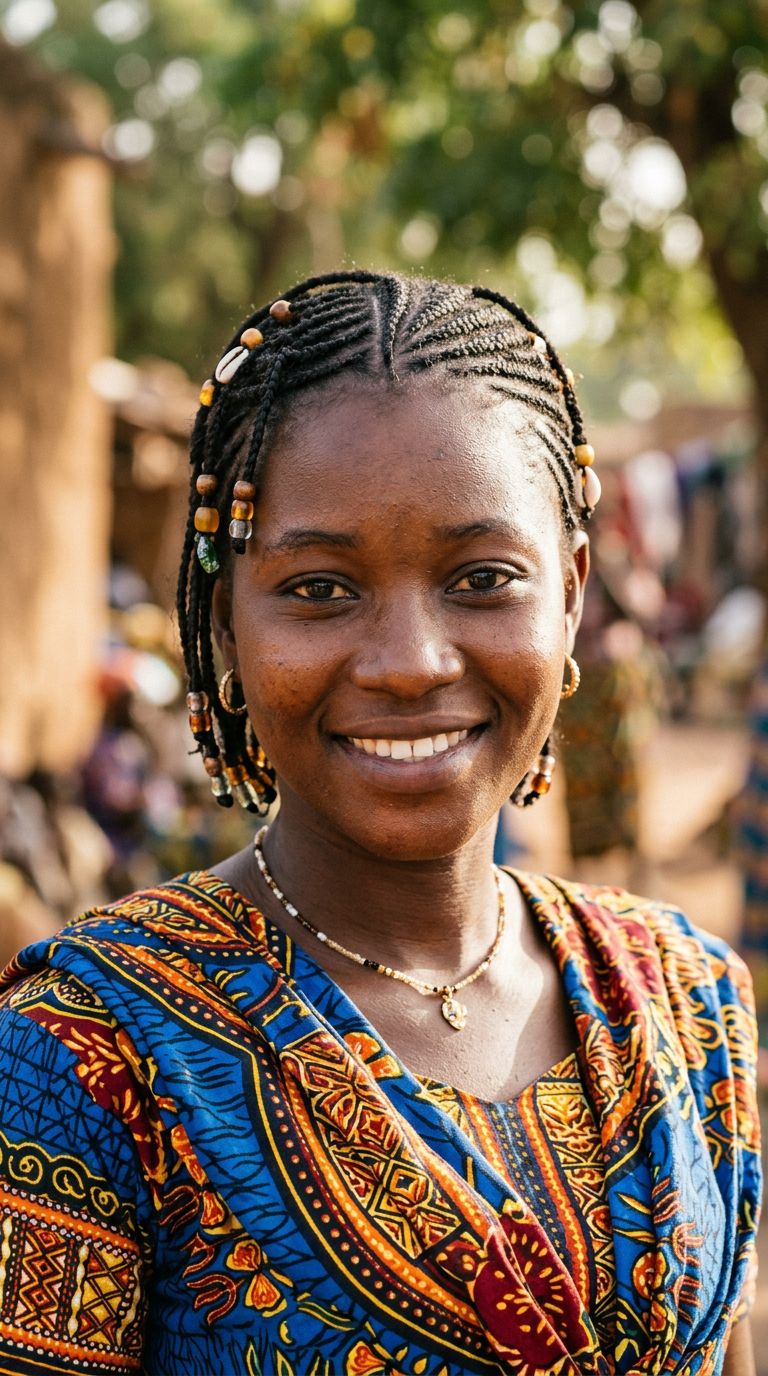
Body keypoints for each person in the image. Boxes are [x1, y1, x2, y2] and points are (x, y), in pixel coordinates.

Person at [0, 272, 759, 1376]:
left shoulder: (690, 1002)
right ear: (226, 621)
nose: (411, 661)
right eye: (318, 589)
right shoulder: (87, 1057)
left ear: (573, 594)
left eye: (483, 577)